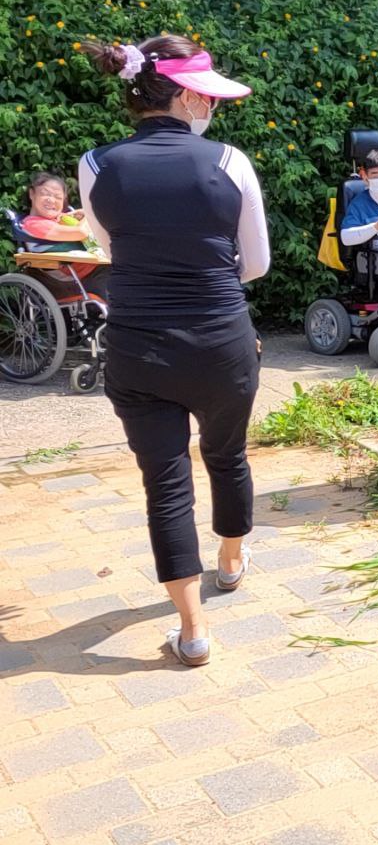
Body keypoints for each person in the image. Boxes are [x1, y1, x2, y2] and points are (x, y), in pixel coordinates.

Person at [78, 35, 268, 668]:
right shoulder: (229, 161)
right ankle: (232, 561)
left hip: (137, 346)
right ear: (188, 95)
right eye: (208, 97)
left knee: (165, 486)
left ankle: (192, 631)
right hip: (221, 341)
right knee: (226, 453)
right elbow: (257, 264)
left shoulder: (96, 165)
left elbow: (107, 249)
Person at [16, 171, 110, 298]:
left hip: (89, 271)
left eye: (58, 197)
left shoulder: (60, 220)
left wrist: (80, 214)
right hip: (73, 280)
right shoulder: (34, 224)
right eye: (45, 194)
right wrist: (88, 215)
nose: (51, 200)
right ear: (32, 194)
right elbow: (81, 232)